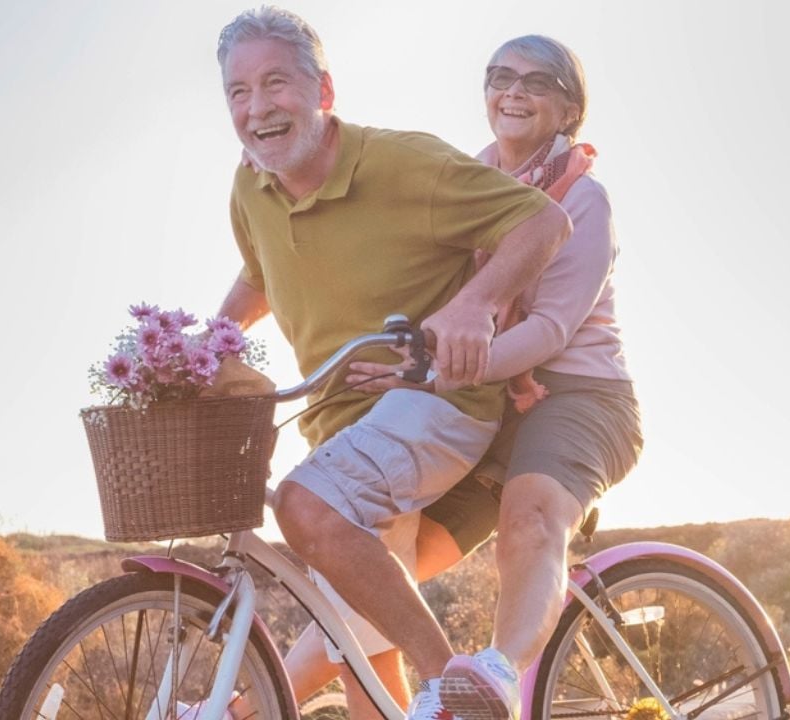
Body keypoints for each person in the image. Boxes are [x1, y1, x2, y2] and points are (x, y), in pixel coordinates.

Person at [199, 9, 572, 720]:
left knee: (303, 504)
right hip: (344, 430)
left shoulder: (405, 164)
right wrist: (205, 347)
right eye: (237, 93)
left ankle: (453, 688)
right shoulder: (251, 188)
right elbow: (258, 277)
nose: (256, 108)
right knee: (366, 677)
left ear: (324, 91)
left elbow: (544, 222)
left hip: (438, 404)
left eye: (276, 83)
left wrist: (477, 305)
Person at [262, 34, 643, 720]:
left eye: (537, 82)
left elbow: (550, 332)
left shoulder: (586, 202)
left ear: (569, 109)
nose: (514, 92)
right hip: (488, 403)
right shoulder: (469, 178)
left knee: (530, 514)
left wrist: (435, 373)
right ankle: (249, 707)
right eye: (501, 77)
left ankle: (489, 681)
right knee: (375, 575)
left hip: (579, 397)